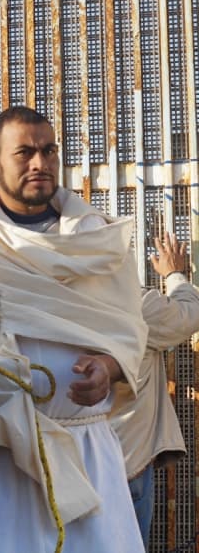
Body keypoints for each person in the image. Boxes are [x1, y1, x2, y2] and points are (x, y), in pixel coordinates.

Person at [0, 106, 148, 552]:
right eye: (24, 152)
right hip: (4, 458)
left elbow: (130, 331)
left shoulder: (96, 238)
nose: (40, 163)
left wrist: (108, 367)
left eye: (48, 151)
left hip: (89, 454)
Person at [110, 231, 199, 544]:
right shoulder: (134, 305)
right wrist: (175, 274)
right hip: (127, 465)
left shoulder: (50, 302)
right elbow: (189, 314)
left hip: (64, 467)